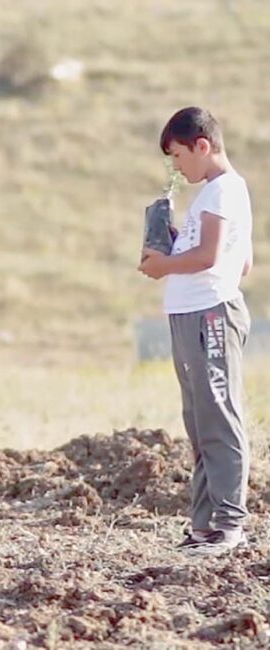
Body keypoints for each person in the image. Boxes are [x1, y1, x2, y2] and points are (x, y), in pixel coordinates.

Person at [139, 107, 253, 556]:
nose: (177, 167)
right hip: (190, 313)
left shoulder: (224, 191)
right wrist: (173, 239)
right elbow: (241, 260)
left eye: (179, 156)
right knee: (199, 419)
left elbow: (209, 257)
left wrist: (164, 265)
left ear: (202, 145)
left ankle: (228, 523)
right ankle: (205, 524)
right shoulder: (215, 195)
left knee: (220, 416)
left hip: (211, 315)